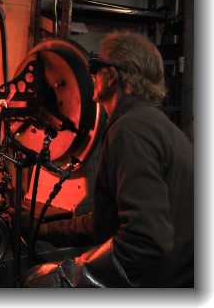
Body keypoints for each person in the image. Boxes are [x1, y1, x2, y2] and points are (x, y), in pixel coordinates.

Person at [23, 32, 194, 287]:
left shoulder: (132, 129)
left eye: (95, 67)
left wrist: (69, 276)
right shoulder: (151, 123)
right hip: (174, 277)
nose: (90, 76)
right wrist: (43, 229)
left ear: (112, 76)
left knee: (34, 284)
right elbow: (106, 221)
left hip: (164, 285)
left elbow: (144, 240)